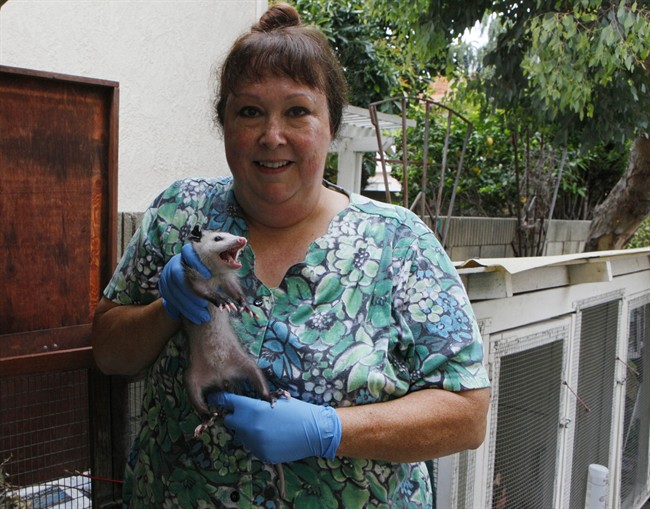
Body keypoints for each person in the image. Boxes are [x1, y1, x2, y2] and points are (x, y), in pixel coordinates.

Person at [91, 3, 491, 508]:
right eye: (250, 111)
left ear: (330, 124)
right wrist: (166, 309)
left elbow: (467, 414)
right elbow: (108, 352)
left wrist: (330, 430)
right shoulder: (179, 213)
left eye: (297, 111)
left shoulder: (399, 242)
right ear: (224, 123)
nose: (271, 135)